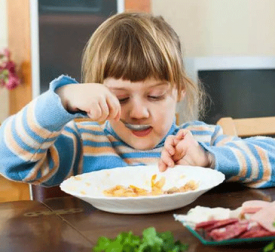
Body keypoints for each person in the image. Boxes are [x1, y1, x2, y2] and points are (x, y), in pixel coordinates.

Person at [0, 12, 274, 189]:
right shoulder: (82, 144)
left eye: (155, 96)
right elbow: (10, 159)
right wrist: (62, 98)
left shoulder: (200, 139)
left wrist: (209, 159)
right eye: (120, 98)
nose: (139, 112)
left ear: (179, 91)